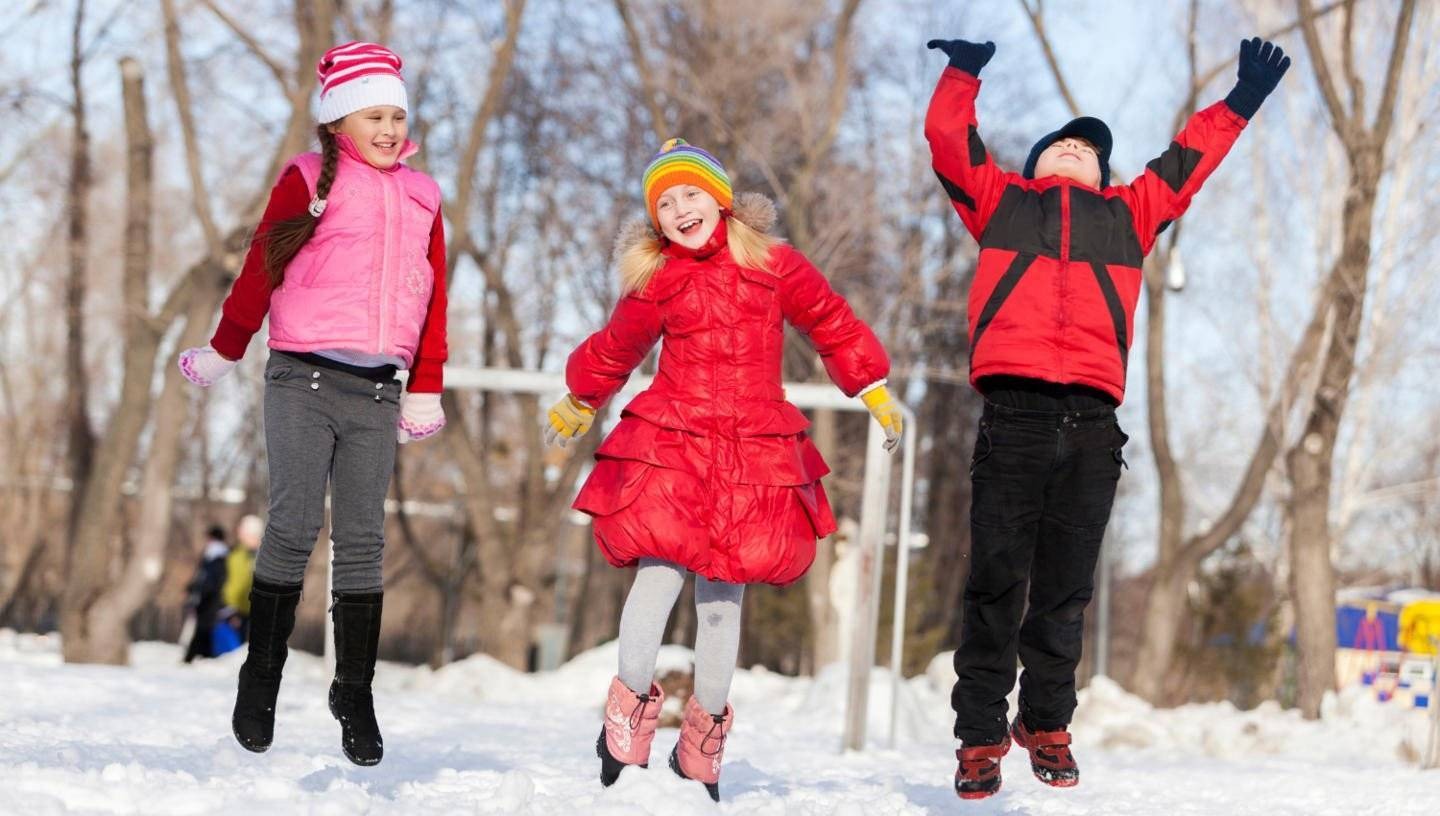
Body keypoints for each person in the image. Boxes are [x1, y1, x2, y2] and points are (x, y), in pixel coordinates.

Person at [923, 36, 1290, 798]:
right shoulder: (1001, 203)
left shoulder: (1130, 217)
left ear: (1105, 175)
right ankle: (981, 734)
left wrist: (1243, 98)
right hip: (1014, 417)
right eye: (1060, 144)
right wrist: (963, 74)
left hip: (1092, 426)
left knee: (1066, 589)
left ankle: (1047, 721)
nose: (1072, 148)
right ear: (1033, 167)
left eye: (1087, 149)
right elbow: (950, 141)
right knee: (996, 582)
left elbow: (1188, 161)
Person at [546, 139, 905, 801]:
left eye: (691, 193)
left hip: (750, 449)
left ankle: (701, 747)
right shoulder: (659, 278)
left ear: (720, 199)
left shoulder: (774, 263)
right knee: (657, 576)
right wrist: (580, 398)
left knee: (722, 600)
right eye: (665, 203)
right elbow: (620, 344)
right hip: (676, 442)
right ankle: (625, 728)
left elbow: (829, 319)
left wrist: (873, 388)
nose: (681, 209)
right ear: (657, 221)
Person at [177, 41, 449, 766]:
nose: (388, 129)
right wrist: (227, 347)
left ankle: (353, 691)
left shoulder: (423, 196)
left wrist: (426, 384)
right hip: (303, 380)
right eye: (373, 116)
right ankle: (261, 676)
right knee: (294, 526)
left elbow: (435, 299)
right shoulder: (307, 177)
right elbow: (261, 264)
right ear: (338, 122)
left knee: (363, 540)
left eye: (397, 116)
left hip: (378, 391)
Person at [181, 525, 230, 663]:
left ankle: (191, 658)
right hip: (206, 598)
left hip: (210, 599)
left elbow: (209, 580)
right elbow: (201, 577)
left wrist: (198, 592)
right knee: (203, 629)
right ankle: (202, 656)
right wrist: (191, 588)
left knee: (203, 629)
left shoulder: (218, 556)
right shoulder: (210, 555)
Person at [220, 514, 263, 642]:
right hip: (233, 612)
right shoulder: (236, 555)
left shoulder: (257, 556)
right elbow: (234, 584)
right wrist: (232, 610)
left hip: (249, 611)